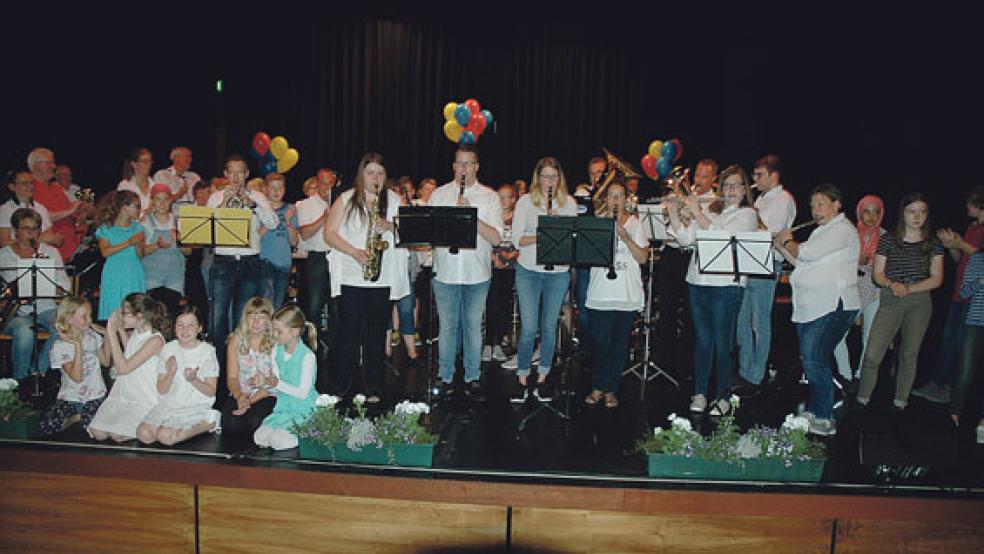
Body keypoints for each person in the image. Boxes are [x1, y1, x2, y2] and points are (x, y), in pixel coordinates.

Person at [668, 165, 759, 416]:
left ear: (744, 190)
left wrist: (697, 211)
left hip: (726, 286)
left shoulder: (748, 214)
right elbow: (686, 240)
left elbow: (722, 236)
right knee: (703, 342)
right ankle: (699, 392)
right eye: (726, 185)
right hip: (698, 281)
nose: (729, 190)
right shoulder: (711, 211)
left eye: (735, 185)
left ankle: (723, 396)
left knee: (722, 343)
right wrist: (675, 213)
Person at [774, 183, 861, 436]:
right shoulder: (822, 231)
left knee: (813, 358)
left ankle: (825, 417)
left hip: (834, 304)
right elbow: (800, 262)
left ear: (837, 204)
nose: (815, 211)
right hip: (812, 306)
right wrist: (780, 245)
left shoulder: (842, 230)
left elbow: (806, 254)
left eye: (821, 204)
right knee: (814, 360)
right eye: (812, 206)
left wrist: (788, 239)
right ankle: (816, 409)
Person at [324, 152, 408, 402]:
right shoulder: (346, 199)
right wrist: (354, 252)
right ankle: (342, 386)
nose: (376, 178)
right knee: (348, 333)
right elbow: (329, 234)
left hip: (382, 279)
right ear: (361, 174)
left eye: (380, 174)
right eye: (370, 173)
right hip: (352, 277)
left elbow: (410, 235)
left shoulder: (394, 200)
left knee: (375, 335)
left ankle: (373, 387)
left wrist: (391, 226)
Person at [856, 194, 944, 410]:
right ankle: (862, 398)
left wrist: (910, 288)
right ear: (903, 213)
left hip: (919, 302)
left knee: (909, 353)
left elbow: (937, 279)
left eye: (922, 212)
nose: (917, 216)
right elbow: (877, 274)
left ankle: (900, 400)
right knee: (872, 353)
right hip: (891, 298)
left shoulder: (932, 243)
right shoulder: (888, 239)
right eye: (912, 211)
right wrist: (891, 284)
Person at [429, 145, 503, 401]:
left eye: (469, 164)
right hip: (446, 271)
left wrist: (471, 215)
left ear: (477, 167)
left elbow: (496, 238)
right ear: (453, 166)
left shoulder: (489, 197)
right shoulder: (439, 194)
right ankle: (446, 375)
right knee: (447, 327)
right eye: (459, 163)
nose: (464, 169)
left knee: (473, 327)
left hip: (477, 273)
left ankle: (473, 377)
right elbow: (430, 234)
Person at [508, 157, 577, 403]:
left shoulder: (569, 203)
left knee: (549, 327)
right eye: (545, 176)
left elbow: (572, 241)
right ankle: (522, 377)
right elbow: (517, 240)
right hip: (528, 269)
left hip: (557, 272)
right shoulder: (526, 202)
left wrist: (558, 225)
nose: (550, 181)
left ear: (560, 179)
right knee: (529, 328)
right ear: (538, 178)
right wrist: (543, 230)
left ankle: (543, 377)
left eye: (554, 177)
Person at [912, 186, 984, 403]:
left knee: (963, 346)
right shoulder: (973, 227)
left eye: (969, 203)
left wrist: (960, 243)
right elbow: (962, 259)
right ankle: (940, 385)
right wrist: (951, 246)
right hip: (959, 293)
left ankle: (951, 390)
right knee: (949, 342)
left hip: (976, 298)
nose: (966, 206)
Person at [583, 180, 648, 409]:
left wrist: (626, 237)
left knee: (619, 345)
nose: (615, 200)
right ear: (605, 199)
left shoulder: (635, 224)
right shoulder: (597, 223)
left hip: (626, 294)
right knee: (599, 342)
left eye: (620, 196)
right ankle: (597, 386)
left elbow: (642, 258)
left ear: (626, 199)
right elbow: (585, 256)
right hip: (601, 292)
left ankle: (611, 389)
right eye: (611, 196)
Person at [654, 159, 718, 379]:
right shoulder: (682, 195)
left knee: (692, 314)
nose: (698, 181)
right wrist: (667, 211)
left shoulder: (715, 203)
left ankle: (686, 364)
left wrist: (692, 209)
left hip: (692, 256)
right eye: (697, 175)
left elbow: (702, 228)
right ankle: (664, 359)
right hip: (671, 254)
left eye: (704, 176)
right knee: (667, 309)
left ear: (713, 179)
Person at [736, 155, 796, 389]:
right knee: (742, 321)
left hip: (768, 263)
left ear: (774, 175)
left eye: (759, 175)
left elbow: (769, 233)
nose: (754, 179)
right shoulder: (760, 199)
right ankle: (744, 370)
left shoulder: (783, 200)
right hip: (749, 264)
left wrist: (749, 210)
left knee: (759, 323)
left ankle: (756, 375)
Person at [206, 154, 278, 344]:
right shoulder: (215, 197)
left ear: (247, 173)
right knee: (217, 316)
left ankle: (239, 366)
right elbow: (207, 229)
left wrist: (253, 204)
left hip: (250, 261)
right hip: (223, 260)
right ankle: (217, 368)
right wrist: (222, 204)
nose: (237, 177)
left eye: (240, 172)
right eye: (232, 172)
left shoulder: (257, 196)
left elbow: (272, 223)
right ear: (226, 174)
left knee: (243, 317)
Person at [87, 293, 168, 442]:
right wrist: (118, 331)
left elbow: (123, 368)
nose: (121, 316)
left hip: (143, 396)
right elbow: (130, 349)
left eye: (125, 313)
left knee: (118, 435)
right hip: (125, 393)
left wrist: (111, 331)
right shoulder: (137, 333)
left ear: (140, 316)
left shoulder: (155, 340)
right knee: (97, 432)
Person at [0, 208, 70, 380]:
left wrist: (54, 287)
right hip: (16, 311)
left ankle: (37, 371)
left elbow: (65, 285)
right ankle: (20, 379)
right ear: (16, 231)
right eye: (26, 228)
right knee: (25, 331)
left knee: (63, 326)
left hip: (47, 307)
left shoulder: (51, 252)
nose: (31, 233)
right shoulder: (3, 256)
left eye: (35, 229)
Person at [137, 306, 220, 445]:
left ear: (200, 328)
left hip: (195, 405)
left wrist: (194, 380)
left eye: (190, 325)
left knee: (165, 437)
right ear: (174, 327)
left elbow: (211, 391)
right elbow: (161, 389)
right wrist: (170, 373)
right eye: (180, 325)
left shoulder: (207, 351)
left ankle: (209, 421)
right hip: (170, 404)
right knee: (143, 434)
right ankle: (171, 426)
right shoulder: (168, 348)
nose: (185, 330)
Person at [833, 195, 885, 382]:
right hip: (852, 287)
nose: (871, 216)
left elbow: (889, 266)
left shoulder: (886, 237)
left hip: (875, 289)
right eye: (866, 211)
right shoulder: (851, 233)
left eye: (876, 212)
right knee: (838, 333)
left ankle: (862, 375)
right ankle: (845, 374)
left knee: (870, 337)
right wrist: (856, 261)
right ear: (859, 213)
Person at [40, 297, 110, 435]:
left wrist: (107, 335)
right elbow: (77, 377)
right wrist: (78, 345)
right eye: (84, 317)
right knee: (47, 424)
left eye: (90, 315)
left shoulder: (93, 337)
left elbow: (106, 362)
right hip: (70, 397)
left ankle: (81, 418)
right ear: (70, 319)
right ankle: (76, 418)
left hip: (95, 396)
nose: (89, 320)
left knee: (96, 426)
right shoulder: (60, 346)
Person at [253, 304, 319, 450]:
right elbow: (275, 385)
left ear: (294, 331)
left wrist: (276, 384)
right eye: (273, 331)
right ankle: (285, 429)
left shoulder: (307, 356)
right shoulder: (276, 350)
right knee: (260, 438)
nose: (274, 335)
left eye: (278, 331)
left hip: (303, 408)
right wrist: (264, 382)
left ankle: (307, 430)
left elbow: (302, 393)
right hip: (283, 407)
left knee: (278, 441)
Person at [220, 297, 277, 437]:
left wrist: (250, 401)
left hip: (266, 393)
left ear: (269, 320)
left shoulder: (276, 343)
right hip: (241, 392)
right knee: (229, 425)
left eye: (262, 317)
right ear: (245, 318)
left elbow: (275, 381)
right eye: (251, 316)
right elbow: (232, 378)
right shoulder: (235, 341)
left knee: (254, 422)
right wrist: (240, 397)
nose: (256, 322)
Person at [27, 147, 88, 262]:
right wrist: (70, 211)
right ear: (36, 165)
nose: (54, 166)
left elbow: (70, 212)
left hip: (73, 249)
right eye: (49, 163)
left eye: (53, 163)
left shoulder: (56, 187)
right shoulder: (29, 189)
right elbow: (39, 217)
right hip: (51, 254)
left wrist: (80, 213)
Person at [94, 190, 146, 320]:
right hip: (114, 274)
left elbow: (140, 255)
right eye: (137, 206)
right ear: (125, 208)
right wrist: (129, 242)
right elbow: (105, 252)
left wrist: (138, 243)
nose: (140, 209)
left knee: (135, 311)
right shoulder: (106, 228)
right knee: (114, 310)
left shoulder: (138, 227)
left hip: (133, 272)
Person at [296, 168, 337, 331]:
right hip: (317, 258)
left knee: (337, 306)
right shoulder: (307, 205)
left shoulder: (341, 203)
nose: (327, 187)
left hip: (338, 257)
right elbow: (305, 234)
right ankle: (313, 345)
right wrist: (325, 217)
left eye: (330, 183)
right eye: (323, 183)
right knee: (314, 305)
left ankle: (335, 349)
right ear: (317, 183)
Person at [950, 251, 983, 438]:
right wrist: (980, 281)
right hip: (975, 323)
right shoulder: (978, 259)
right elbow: (963, 292)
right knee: (965, 372)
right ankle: (953, 416)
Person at [483, 183, 517, 363]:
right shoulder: (491, 216)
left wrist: (508, 259)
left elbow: (520, 242)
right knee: (490, 304)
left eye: (506, 197)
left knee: (503, 305)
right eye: (499, 196)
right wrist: (493, 257)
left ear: (513, 199)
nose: (502, 200)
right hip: (491, 265)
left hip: (509, 267)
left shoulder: (517, 218)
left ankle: (498, 344)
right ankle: (488, 343)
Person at [141, 183, 187, 316]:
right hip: (152, 278)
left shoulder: (178, 221)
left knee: (171, 315)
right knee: (153, 316)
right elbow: (140, 252)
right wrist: (156, 246)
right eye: (158, 199)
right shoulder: (145, 222)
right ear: (152, 201)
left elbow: (188, 251)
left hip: (175, 278)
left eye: (166, 199)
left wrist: (177, 239)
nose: (162, 203)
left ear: (171, 201)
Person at [259, 173, 299, 309]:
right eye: (273, 188)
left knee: (277, 304)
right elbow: (255, 237)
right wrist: (270, 217)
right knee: (266, 302)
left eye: (280, 188)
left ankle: (273, 330)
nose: (276, 192)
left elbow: (294, 242)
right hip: (265, 262)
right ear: (265, 189)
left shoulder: (290, 209)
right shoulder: (260, 208)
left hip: (283, 264)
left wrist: (288, 221)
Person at [0, 171, 57, 247]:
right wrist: (36, 239)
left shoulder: (40, 208)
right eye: (24, 183)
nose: (30, 186)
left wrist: (56, 240)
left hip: (43, 255)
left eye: (32, 183)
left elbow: (50, 238)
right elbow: (4, 243)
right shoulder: (5, 210)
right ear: (12, 187)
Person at [117, 147, 154, 214]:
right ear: (133, 164)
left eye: (149, 161)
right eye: (144, 161)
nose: (148, 164)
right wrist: (147, 214)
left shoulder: (155, 185)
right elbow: (123, 215)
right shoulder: (125, 186)